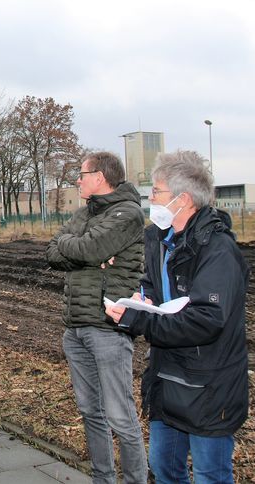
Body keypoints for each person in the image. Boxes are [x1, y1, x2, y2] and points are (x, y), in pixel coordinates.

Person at [105, 152, 249, 483]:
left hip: (209, 386)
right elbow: (153, 284)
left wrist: (137, 320)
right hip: (167, 376)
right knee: (165, 468)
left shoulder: (218, 251)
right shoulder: (158, 239)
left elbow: (206, 320)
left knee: (210, 475)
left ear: (183, 200)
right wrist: (143, 299)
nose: (150, 198)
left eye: (156, 192)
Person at [46, 151, 148, 484]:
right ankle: (102, 479)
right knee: (91, 413)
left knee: (121, 417)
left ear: (100, 176)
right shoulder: (83, 212)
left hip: (108, 328)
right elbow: (52, 253)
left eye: (82, 173)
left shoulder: (128, 214)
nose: (78, 179)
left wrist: (77, 248)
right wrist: (79, 248)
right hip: (75, 329)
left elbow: (88, 250)